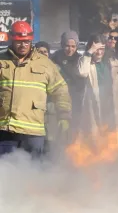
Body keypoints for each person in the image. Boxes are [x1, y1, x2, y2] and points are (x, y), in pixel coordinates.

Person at [0, 21, 71, 157]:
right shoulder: (1, 61)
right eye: (19, 41)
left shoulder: (45, 64)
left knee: (32, 173)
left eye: (26, 42)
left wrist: (64, 115)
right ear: (11, 39)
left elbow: (60, 90)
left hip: (33, 132)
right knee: (5, 172)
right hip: (5, 131)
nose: (23, 45)